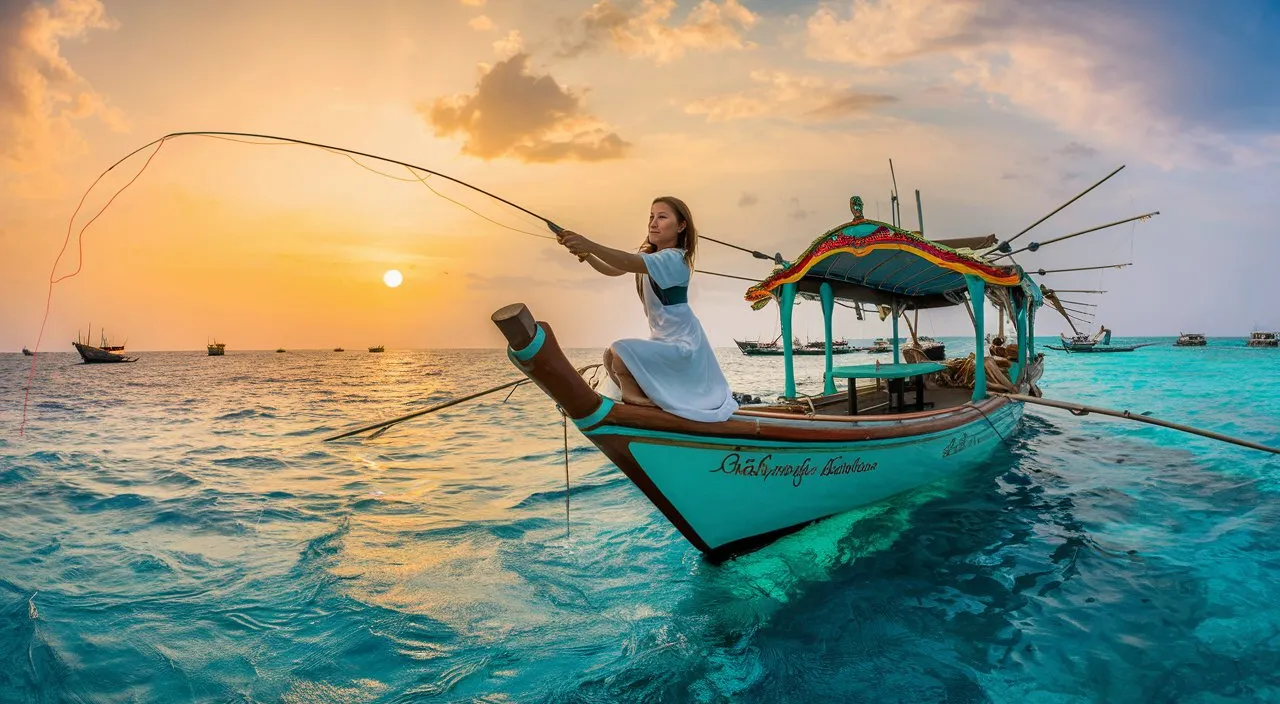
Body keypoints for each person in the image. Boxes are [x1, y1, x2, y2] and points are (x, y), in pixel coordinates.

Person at [556, 196, 738, 423]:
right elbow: (613, 269)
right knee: (610, 357)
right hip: (663, 340)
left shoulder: (673, 259)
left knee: (620, 349)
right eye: (651, 217)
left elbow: (624, 261)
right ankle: (638, 397)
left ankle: (634, 398)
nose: (653, 223)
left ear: (681, 226)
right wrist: (586, 253)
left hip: (684, 344)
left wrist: (589, 244)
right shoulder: (651, 258)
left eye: (662, 217)